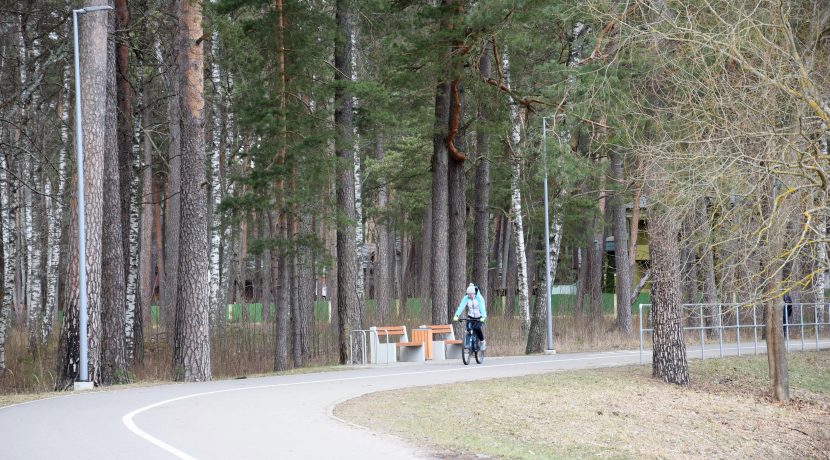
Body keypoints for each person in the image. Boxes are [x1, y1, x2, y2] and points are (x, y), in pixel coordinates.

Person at [453, 283, 487, 350]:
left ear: (474, 293)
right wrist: (456, 315)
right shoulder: (466, 298)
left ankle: (482, 341)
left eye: (470, 294)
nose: (469, 296)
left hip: (479, 317)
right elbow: (461, 306)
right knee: (468, 328)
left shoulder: (479, 298)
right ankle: (468, 344)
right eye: (468, 294)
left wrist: (483, 316)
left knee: (477, 328)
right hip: (471, 316)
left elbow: (482, 308)